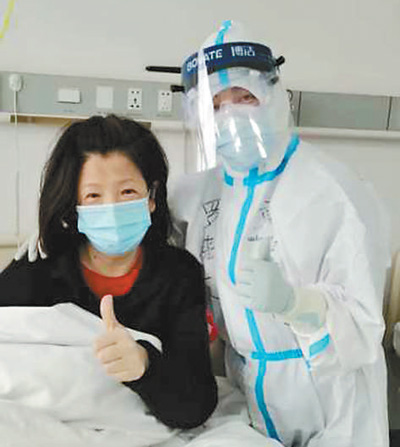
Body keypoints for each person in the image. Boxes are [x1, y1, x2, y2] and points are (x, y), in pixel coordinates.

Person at [168, 20, 391, 447]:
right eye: (214, 106)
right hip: (247, 388)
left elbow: (363, 326)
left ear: (274, 97)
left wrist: (295, 303)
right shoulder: (196, 195)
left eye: (244, 97)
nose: (230, 115)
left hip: (331, 394)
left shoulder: (331, 190)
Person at [0, 114, 217, 429]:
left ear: (152, 196)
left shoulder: (178, 275)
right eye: (93, 196)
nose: (112, 208)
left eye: (127, 192)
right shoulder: (38, 271)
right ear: (74, 205)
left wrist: (144, 367)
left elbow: (195, 406)